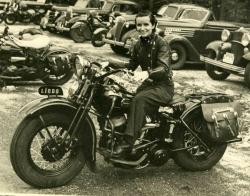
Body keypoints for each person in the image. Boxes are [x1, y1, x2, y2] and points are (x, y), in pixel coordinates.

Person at [111, 10, 174, 157]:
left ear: (153, 25)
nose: (142, 28)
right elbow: (130, 65)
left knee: (140, 99)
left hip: (163, 87)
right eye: (139, 25)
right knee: (123, 98)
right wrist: (108, 63)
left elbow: (164, 68)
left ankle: (128, 143)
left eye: (146, 24)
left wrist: (147, 73)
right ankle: (123, 133)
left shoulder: (162, 43)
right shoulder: (138, 44)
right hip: (149, 85)